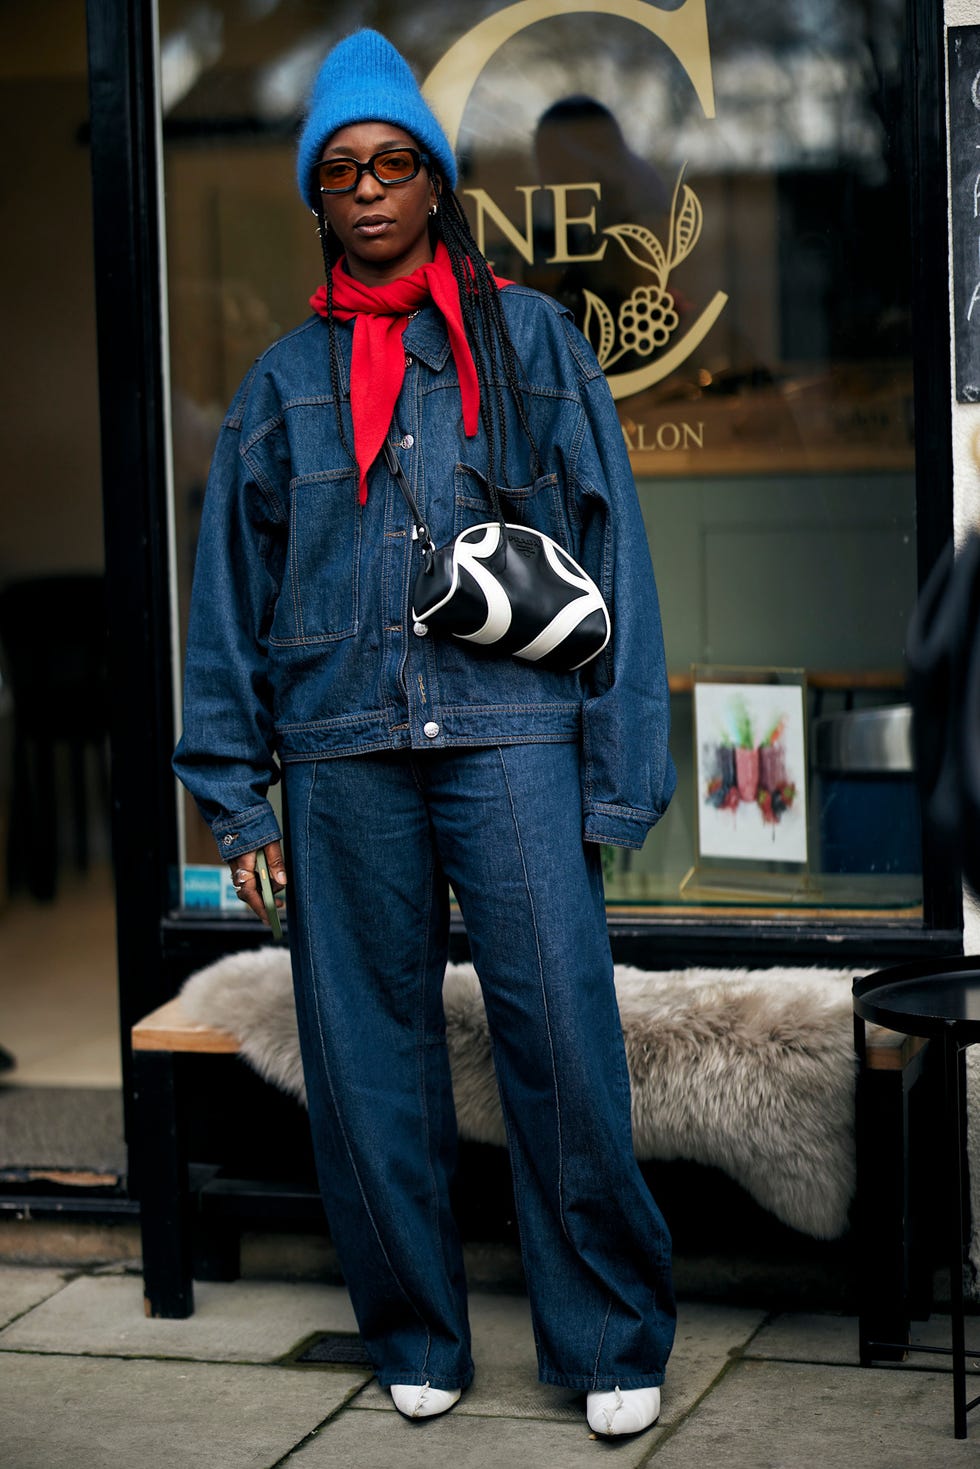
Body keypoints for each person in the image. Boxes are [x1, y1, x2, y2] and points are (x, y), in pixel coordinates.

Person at [174, 29, 676, 1438]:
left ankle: (609, 1332)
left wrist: (621, 775)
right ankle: (413, 1328)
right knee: (367, 1058)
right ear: (318, 203)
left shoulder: (531, 345)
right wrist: (237, 791)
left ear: (438, 184)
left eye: (397, 163)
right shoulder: (280, 387)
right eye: (342, 172)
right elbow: (227, 601)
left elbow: (616, 558)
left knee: (563, 1038)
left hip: (516, 731)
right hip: (338, 751)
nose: (373, 190)